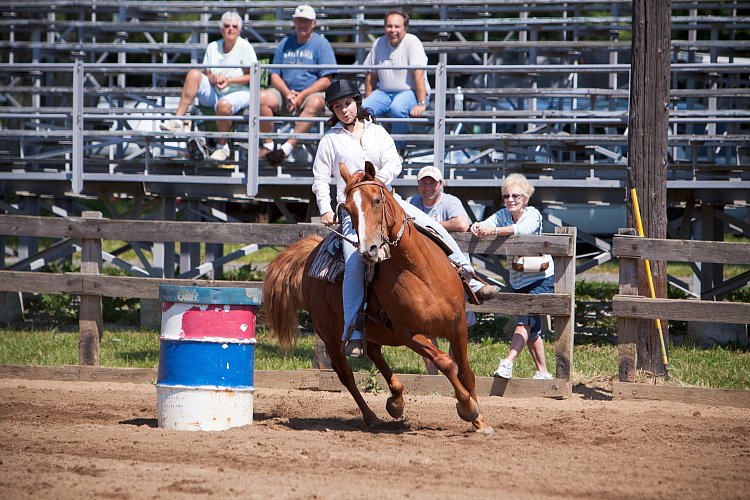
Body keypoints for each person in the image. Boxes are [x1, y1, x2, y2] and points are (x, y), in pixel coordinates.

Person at [312, 79, 499, 358]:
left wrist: (375, 183)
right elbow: (320, 178)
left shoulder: (378, 133)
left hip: (389, 202)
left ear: (357, 103)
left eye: (347, 104)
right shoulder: (330, 140)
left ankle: (470, 279)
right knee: (353, 263)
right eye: (337, 107)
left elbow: (394, 162)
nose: (344, 110)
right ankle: (354, 329)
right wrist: (326, 208)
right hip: (355, 212)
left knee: (435, 228)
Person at [470, 173, 554, 380]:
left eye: (515, 196)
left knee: (523, 321)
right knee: (531, 328)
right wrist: (476, 226)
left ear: (525, 197)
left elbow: (522, 229)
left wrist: (493, 231)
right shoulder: (502, 214)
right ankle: (543, 372)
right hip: (518, 278)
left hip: (541, 277)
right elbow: (484, 224)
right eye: (506, 196)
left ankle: (508, 362)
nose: (510, 200)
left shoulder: (533, 214)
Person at [161, 11, 257, 162]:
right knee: (193, 74)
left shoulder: (245, 47)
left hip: (239, 91)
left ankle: (222, 146)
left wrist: (229, 80)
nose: (230, 29)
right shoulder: (213, 46)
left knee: (223, 105)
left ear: (239, 29)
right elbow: (207, 73)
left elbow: (252, 76)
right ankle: (178, 119)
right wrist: (214, 78)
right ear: (221, 29)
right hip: (216, 91)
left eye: (234, 26)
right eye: (226, 26)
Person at [408, 165, 476, 375]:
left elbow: (462, 223)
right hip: (423, 270)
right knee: (422, 321)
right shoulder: (413, 202)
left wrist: (432, 225)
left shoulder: (450, 202)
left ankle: (454, 371)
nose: (428, 187)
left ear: (440, 184)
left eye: (432, 183)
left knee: (457, 322)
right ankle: (432, 374)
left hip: (450, 267)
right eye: (424, 182)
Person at [261, 5, 337, 166]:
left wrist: (301, 95)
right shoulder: (285, 42)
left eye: (306, 21)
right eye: (299, 21)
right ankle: (268, 146)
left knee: (316, 102)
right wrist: (287, 93)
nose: (302, 24)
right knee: (262, 97)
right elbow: (274, 75)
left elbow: (327, 79)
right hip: (285, 92)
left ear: (314, 23)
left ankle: (286, 149)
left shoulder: (322, 44)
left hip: (310, 94)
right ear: (294, 22)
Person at [361, 10, 429, 152]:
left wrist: (421, 103)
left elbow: (419, 75)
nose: (393, 30)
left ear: (405, 28)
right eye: (389, 26)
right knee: (364, 109)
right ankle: (374, 149)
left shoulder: (412, 42)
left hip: (411, 91)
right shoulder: (378, 43)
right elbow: (370, 75)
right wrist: (369, 98)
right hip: (384, 92)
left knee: (397, 109)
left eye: (397, 26)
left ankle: (398, 150)